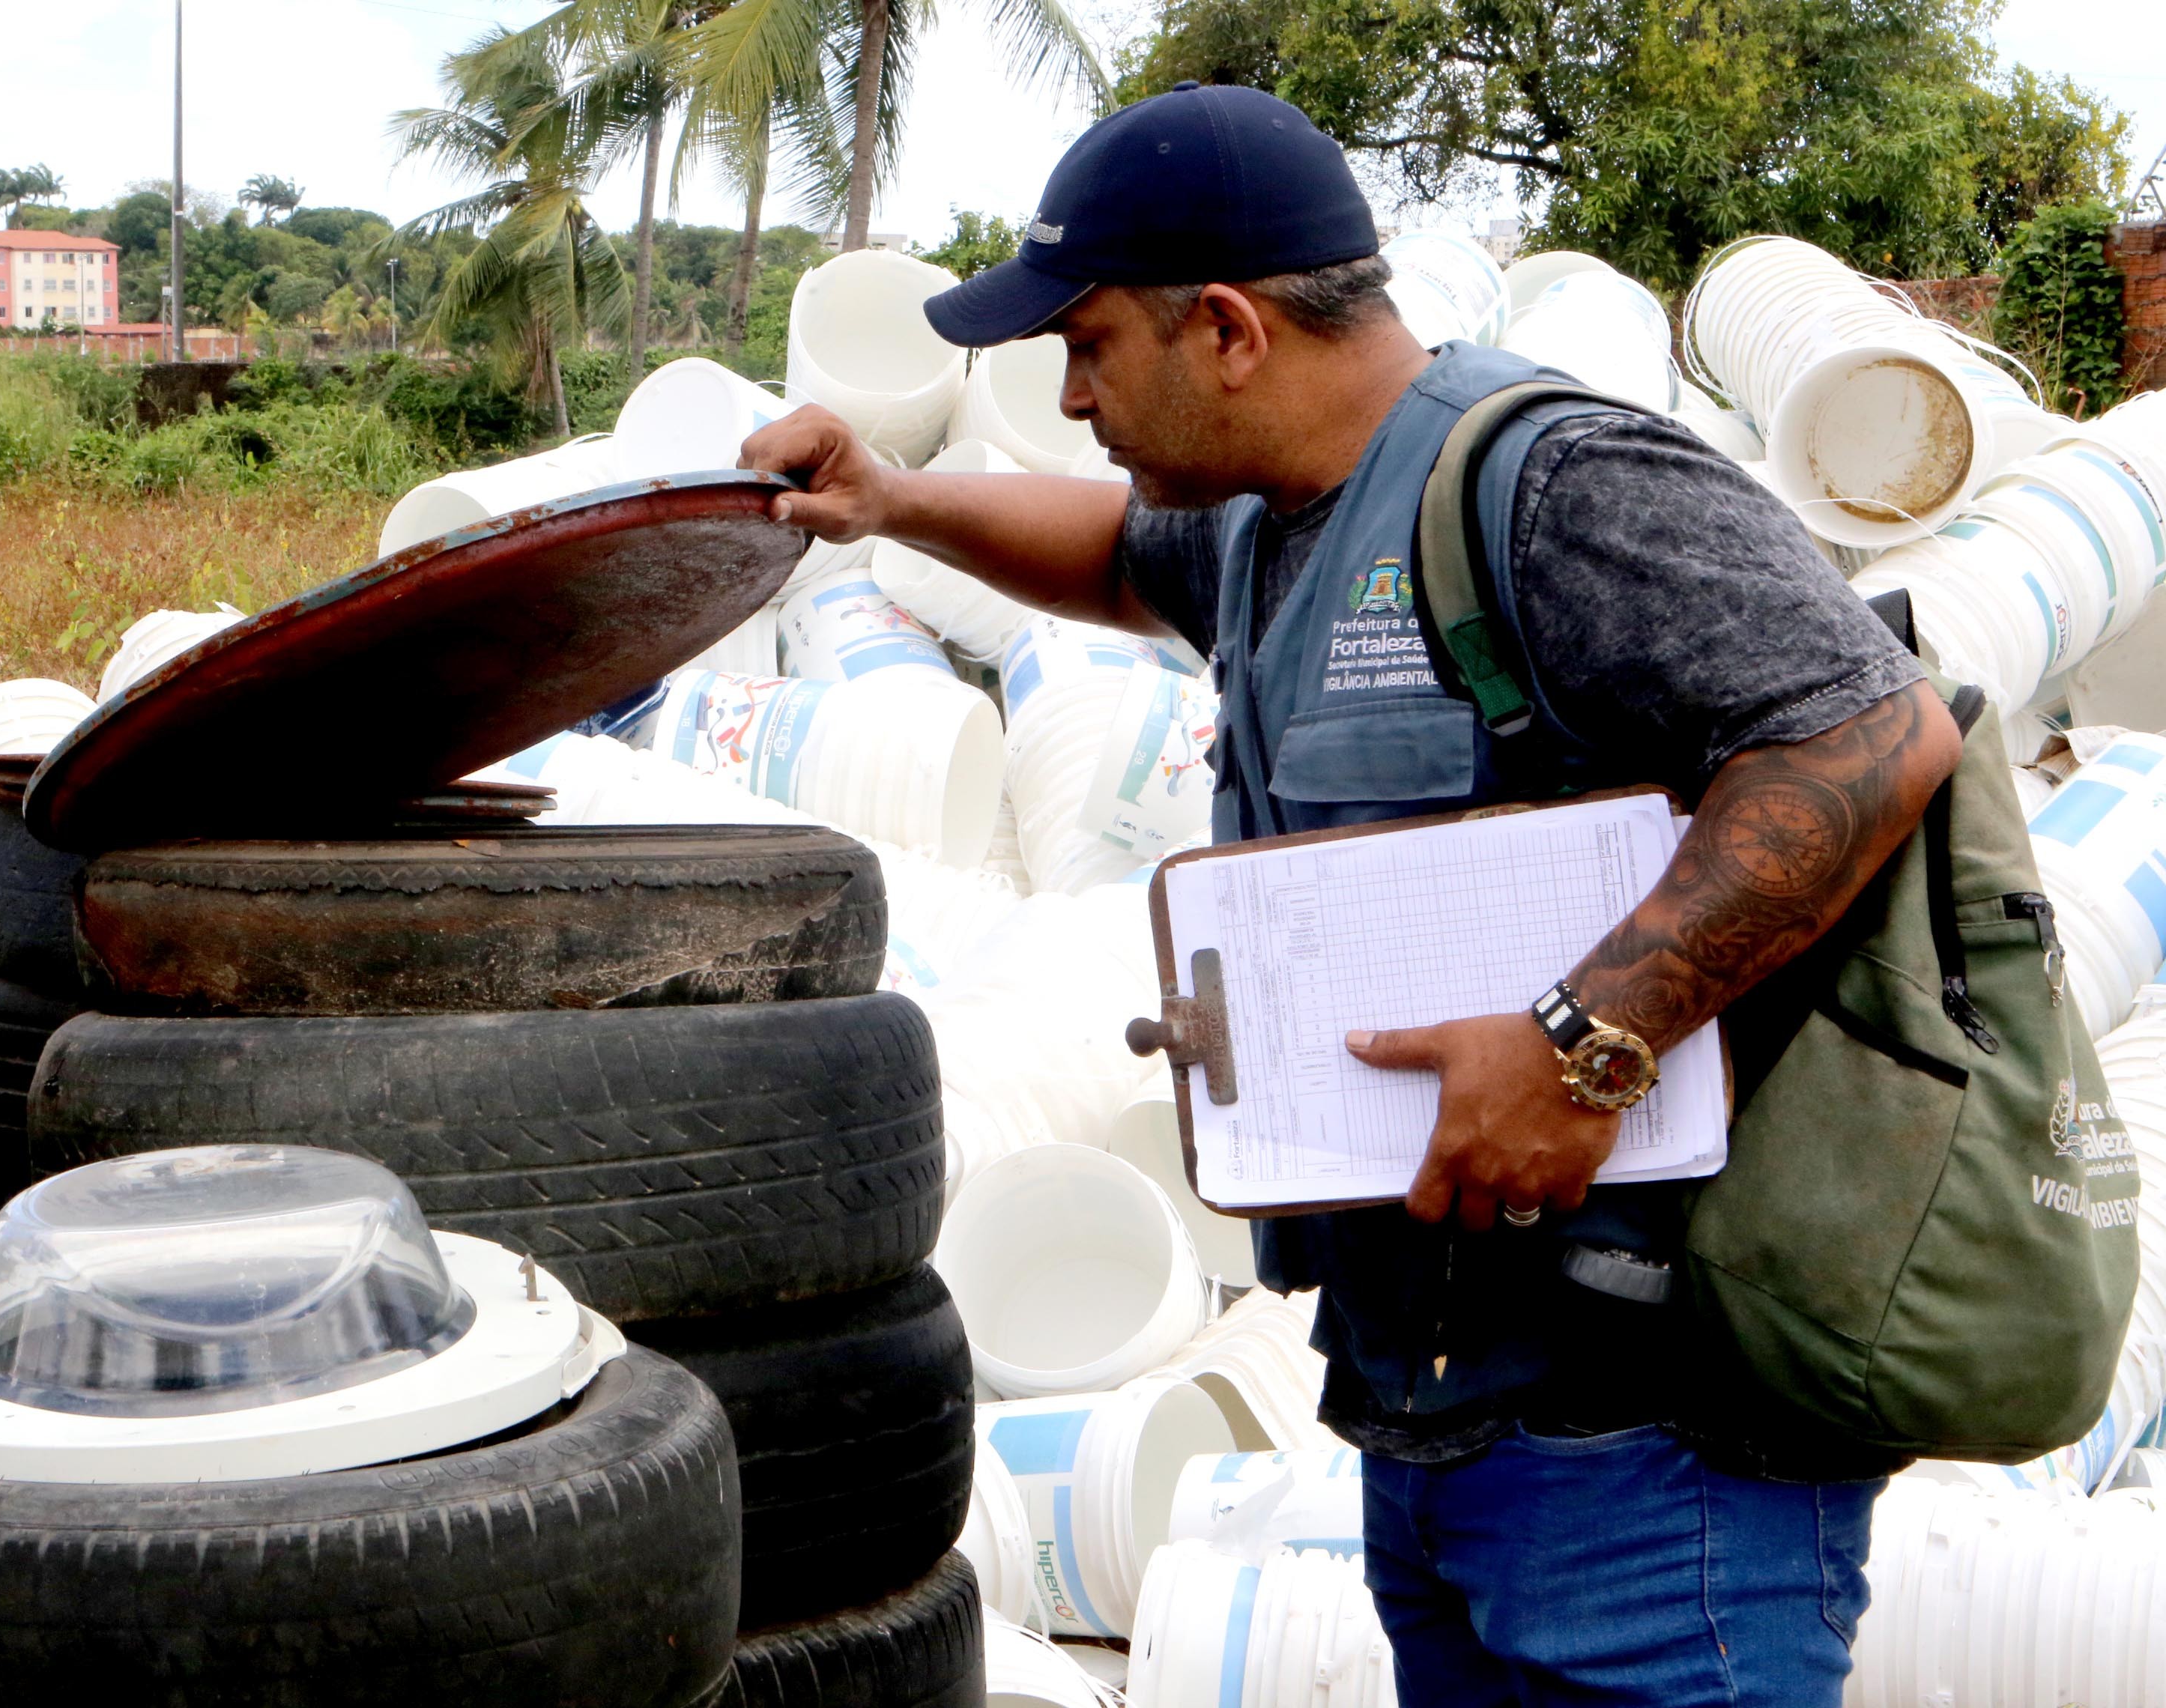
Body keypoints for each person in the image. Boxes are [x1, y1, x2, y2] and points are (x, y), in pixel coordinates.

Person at [739, 83, 1963, 1708]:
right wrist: (889, 500)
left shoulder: (1551, 486)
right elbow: (1109, 554)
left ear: (1229, 329)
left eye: (1089, 345)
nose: (1071, 393)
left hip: (1650, 1442)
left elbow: (1876, 731)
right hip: (1439, 1411)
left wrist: (1592, 1036)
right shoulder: (1265, 526)